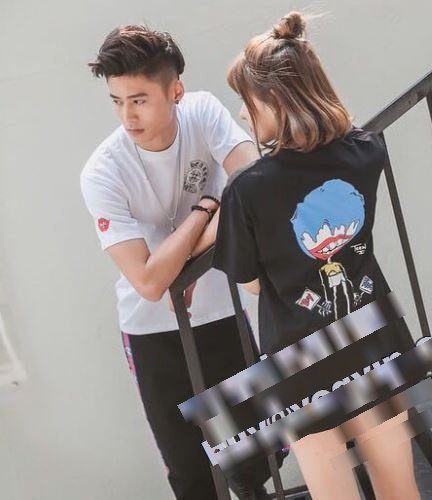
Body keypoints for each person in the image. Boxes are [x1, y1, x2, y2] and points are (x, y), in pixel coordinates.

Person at [212, 12, 421, 500]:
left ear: (274, 99)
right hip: (373, 335)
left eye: (246, 101)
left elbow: (250, 282)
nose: (242, 115)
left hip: (300, 360)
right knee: (399, 487)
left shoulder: (247, 189)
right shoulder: (367, 150)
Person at [81, 25, 284, 500]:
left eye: (139, 100)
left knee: (256, 455)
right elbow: (150, 284)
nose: (127, 116)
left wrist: (184, 261)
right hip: (151, 331)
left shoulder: (203, 112)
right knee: (192, 473)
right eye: (117, 101)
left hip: (222, 314)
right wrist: (207, 207)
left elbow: (256, 185)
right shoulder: (102, 172)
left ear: (176, 91)